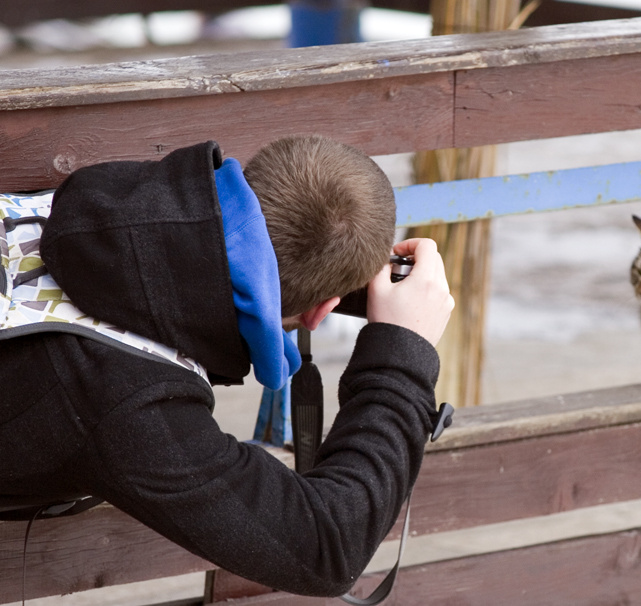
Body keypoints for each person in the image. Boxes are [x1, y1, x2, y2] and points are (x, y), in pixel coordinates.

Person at [0, 135, 454, 596]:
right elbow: (328, 544)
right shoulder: (131, 406)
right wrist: (402, 351)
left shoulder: (88, 202)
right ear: (321, 312)